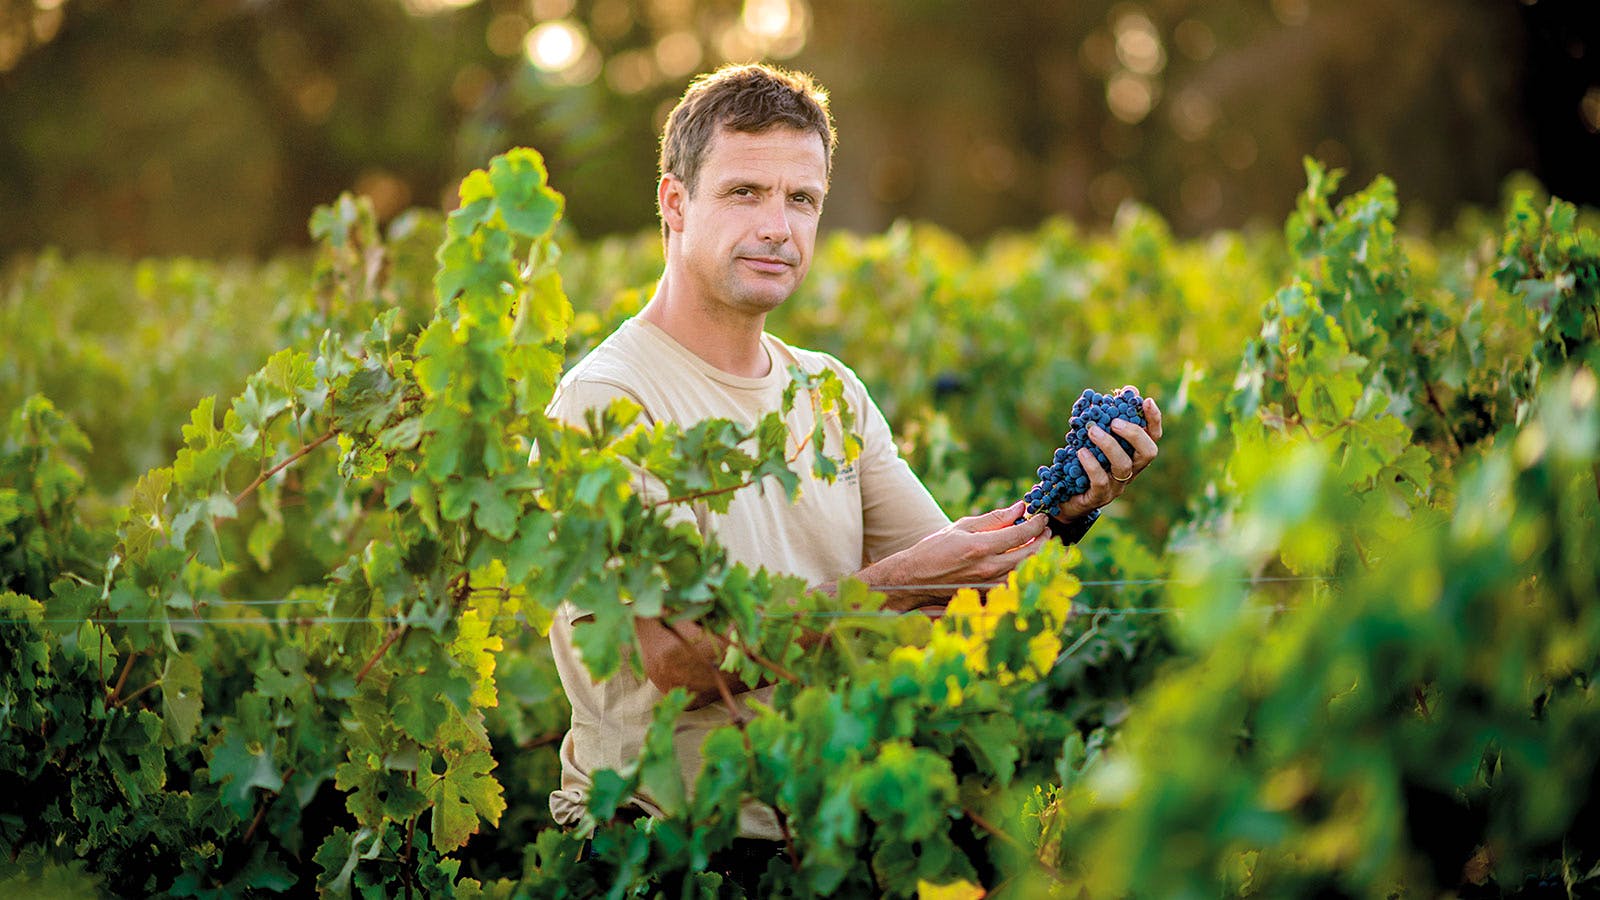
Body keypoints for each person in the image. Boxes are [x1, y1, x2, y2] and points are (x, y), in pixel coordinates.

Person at [543, 62, 1162, 871]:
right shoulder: (609, 401)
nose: (778, 226)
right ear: (674, 203)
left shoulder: (828, 391)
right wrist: (897, 584)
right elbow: (675, 658)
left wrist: (1067, 507)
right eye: (745, 192)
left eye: (801, 200)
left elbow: (956, 586)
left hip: (827, 844)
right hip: (660, 855)